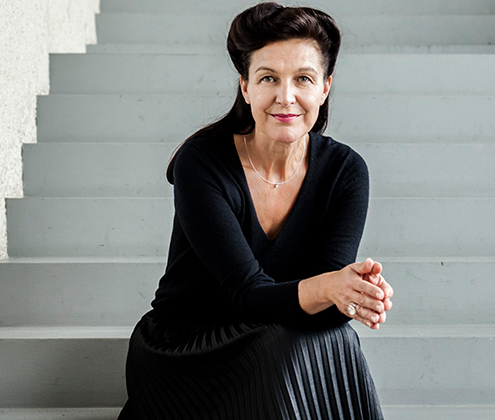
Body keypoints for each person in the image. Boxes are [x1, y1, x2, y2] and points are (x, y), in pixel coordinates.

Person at [117, 2, 393, 419]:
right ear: (245, 87)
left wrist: (354, 293)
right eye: (268, 78)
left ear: (325, 87)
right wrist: (330, 289)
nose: (286, 97)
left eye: (303, 78)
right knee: (283, 347)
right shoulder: (202, 162)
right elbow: (247, 293)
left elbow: (326, 305)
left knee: (334, 341)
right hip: (188, 344)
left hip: (277, 341)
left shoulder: (345, 171)